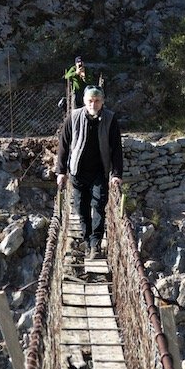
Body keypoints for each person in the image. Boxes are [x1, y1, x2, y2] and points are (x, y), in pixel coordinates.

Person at [56, 85, 123, 259]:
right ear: (85, 101)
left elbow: (116, 148)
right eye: (90, 101)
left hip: (100, 171)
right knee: (80, 207)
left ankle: (95, 244)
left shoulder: (110, 119)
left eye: (97, 101)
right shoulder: (74, 116)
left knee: (99, 205)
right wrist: (61, 171)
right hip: (77, 171)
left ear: (103, 102)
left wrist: (116, 174)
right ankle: (86, 239)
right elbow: (63, 144)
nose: (93, 104)